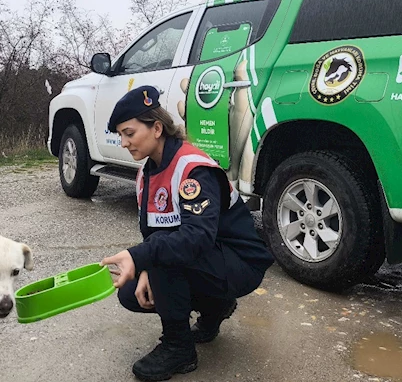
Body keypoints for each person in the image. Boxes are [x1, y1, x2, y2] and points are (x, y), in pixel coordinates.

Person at [100, 85, 275, 381]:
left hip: (240, 263)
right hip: (209, 261)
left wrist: (143, 257)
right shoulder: (147, 174)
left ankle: (178, 347)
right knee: (132, 292)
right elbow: (154, 233)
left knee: (162, 257)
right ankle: (215, 307)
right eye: (121, 136)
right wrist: (145, 269)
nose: (124, 142)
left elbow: (196, 238)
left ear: (156, 128)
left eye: (129, 133)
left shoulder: (192, 168)